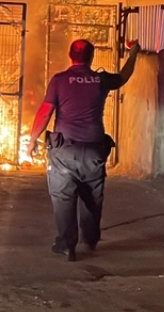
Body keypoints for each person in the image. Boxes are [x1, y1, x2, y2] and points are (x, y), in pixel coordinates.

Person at [27, 38, 140, 261]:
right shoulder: (100, 79)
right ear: (91, 57)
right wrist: (134, 52)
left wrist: (32, 140)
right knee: (92, 196)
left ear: (71, 56)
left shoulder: (59, 80)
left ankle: (67, 244)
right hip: (94, 150)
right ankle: (90, 238)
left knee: (63, 197)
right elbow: (124, 76)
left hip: (64, 152)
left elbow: (45, 112)